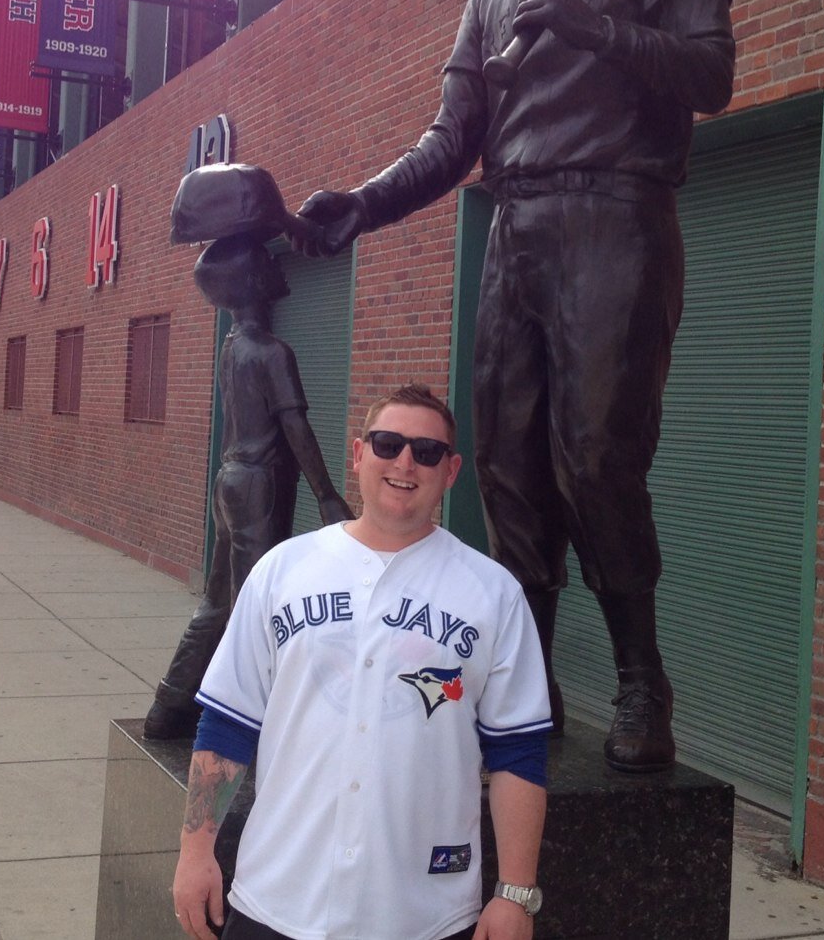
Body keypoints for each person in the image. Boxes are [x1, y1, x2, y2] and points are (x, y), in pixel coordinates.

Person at [293, 0, 736, 772]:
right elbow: (452, 143)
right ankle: (521, 671)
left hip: (617, 217)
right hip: (518, 229)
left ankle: (638, 673)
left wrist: (593, 30)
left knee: (594, 461)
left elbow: (710, 76)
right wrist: (360, 202)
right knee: (509, 472)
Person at [173, 383, 551, 940]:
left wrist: (515, 893)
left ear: (450, 471)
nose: (404, 462)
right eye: (387, 443)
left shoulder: (493, 593)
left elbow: (517, 750)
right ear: (357, 455)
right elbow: (229, 721)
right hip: (277, 897)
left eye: (426, 452)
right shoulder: (284, 570)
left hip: (424, 912)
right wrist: (195, 851)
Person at [144, 235, 353, 739]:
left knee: (220, 601)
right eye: (269, 262)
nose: (282, 269)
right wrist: (326, 493)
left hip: (231, 480)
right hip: (260, 485)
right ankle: (242, 721)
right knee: (257, 607)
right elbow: (295, 429)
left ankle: (171, 705)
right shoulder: (271, 352)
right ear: (256, 282)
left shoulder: (233, 346)